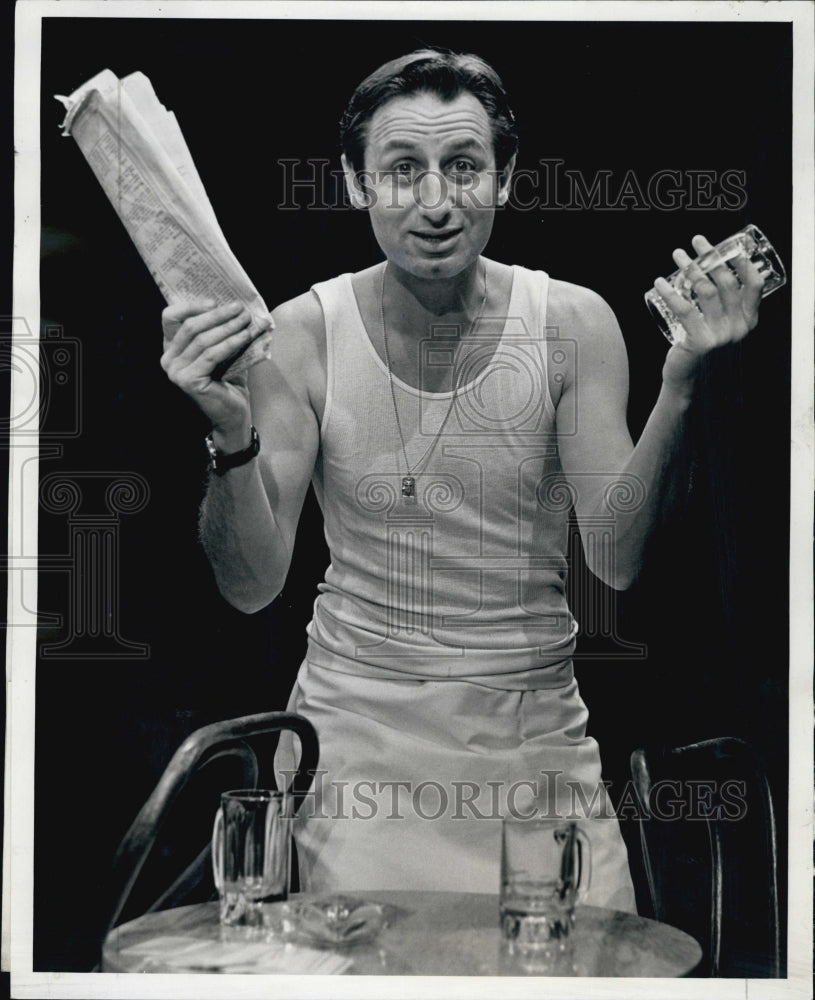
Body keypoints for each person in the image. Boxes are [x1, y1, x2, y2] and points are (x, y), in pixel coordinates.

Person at [160, 51, 764, 910]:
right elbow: (252, 585)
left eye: (463, 168)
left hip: (533, 748)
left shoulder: (570, 322)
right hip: (358, 753)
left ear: (504, 180)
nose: (436, 202)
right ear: (354, 183)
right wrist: (228, 432)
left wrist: (682, 381)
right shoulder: (303, 334)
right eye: (402, 171)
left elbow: (619, 560)